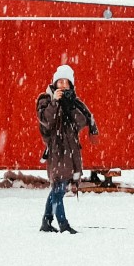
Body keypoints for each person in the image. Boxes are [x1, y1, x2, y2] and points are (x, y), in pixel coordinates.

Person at [36, 64, 97, 234]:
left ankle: (46, 222)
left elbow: (81, 122)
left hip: (71, 152)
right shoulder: (45, 100)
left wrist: (69, 105)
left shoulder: (73, 103)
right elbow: (46, 121)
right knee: (58, 188)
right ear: (54, 84)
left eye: (66, 82)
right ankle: (63, 225)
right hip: (56, 151)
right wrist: (55, 102)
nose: (63, 85)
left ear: (71, 85)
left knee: (59, 188)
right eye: (60, 82)